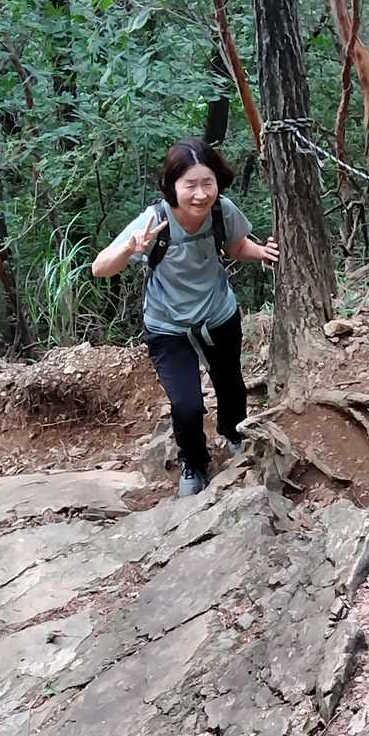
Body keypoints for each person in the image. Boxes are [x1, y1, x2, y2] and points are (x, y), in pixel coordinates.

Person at [92, 139, 278, 497]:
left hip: (218, 314)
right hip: (168, 326)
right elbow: (100, 268)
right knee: (186, 404)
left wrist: (262, 253)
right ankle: (193, 461)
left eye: (208, 183)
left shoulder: (222, 211)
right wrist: (131, 247)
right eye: (190, 184)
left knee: (230, 384)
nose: (200, 194)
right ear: (171, 184)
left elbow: (236, 246)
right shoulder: (155, 220)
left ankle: (235, 434)